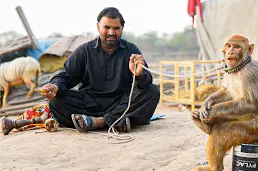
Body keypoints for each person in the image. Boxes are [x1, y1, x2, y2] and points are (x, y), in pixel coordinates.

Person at [1, 7, 160, 135]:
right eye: (107, 27)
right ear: (98, 27)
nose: (111, 32)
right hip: (90, 103)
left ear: (122, 28)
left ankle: (101, 122)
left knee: (153, 91)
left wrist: (138, 74)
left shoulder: (131, 50)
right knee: (56, 101)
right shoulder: (84, 51)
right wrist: (55, 87)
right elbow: (66, 76)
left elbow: (146, 83)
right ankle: (117, 121)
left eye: (116, 28)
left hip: (121, 102)